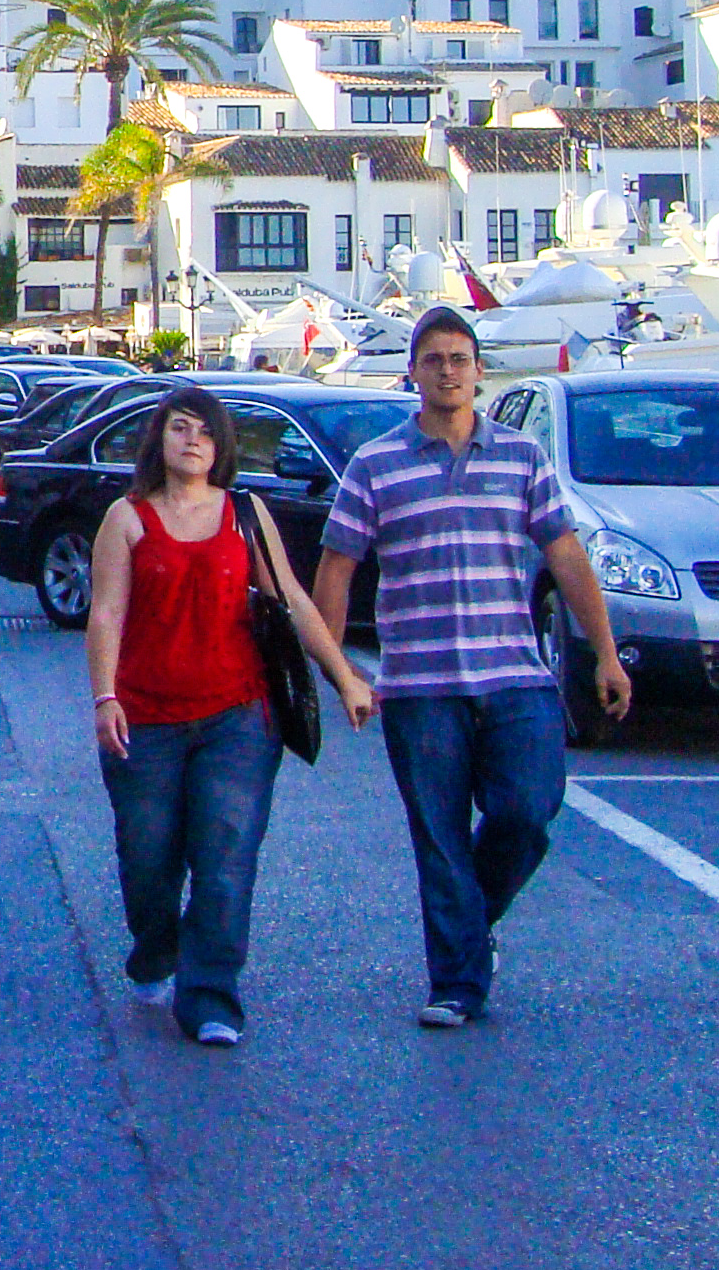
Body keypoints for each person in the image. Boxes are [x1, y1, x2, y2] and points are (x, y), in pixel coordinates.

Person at [310, 305, 631, 1029]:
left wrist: (605, 651)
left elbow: (567, 556)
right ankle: (457, 982)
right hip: (421, 686)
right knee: (440, 834)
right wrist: (340, 674)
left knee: (526, 812)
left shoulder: (522, 457)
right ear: (414, 372)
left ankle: (470, 924)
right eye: (434, 359)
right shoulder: (375, 465)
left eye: (460, 358)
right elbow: (337, 568)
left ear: (480, 370)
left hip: (514, 676)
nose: (448, 370)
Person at [88, 386, 373, 1046]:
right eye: (179, 428)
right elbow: (106, 612)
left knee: (225, 854)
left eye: (205, 431)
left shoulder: (246, 514)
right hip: (146, 717)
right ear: (159, 439)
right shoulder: (127, 519)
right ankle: (155, 947)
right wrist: (105, 697)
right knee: (148, 858)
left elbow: (293, 600)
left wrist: (345, 675)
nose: (191, 440)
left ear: (221, 448)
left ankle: (211, 992)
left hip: (238, 716)